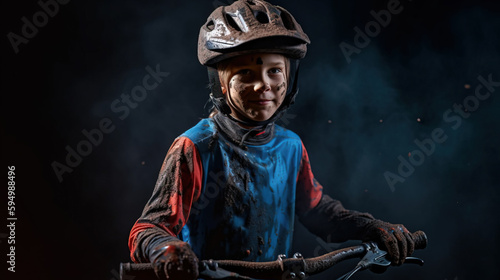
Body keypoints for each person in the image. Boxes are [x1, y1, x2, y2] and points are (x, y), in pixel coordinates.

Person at [128, 1, 416, 279]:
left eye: (274, 70)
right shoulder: (196, 147)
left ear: (289, 79)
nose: (263, 84)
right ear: (221, 84)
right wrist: (167, 249)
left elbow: (317, 212)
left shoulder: (290, 147)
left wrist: (370, 227)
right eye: (244, 73)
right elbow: (148, 227)